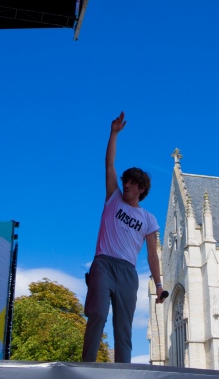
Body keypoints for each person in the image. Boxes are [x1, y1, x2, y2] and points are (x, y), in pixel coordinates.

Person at [82, 111, 165, 363]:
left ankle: (123, 372)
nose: (126, 185)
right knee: (97, 314)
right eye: (125, 181)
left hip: (128, 272)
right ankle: (85, 367)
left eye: (131, 183)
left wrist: (160, 286)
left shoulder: (149, 219)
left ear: (141, 189)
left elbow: (152, 255)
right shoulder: (113, 197)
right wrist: (114, 133)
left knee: (123, 330)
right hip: (103, 264)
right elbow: (109, 164)